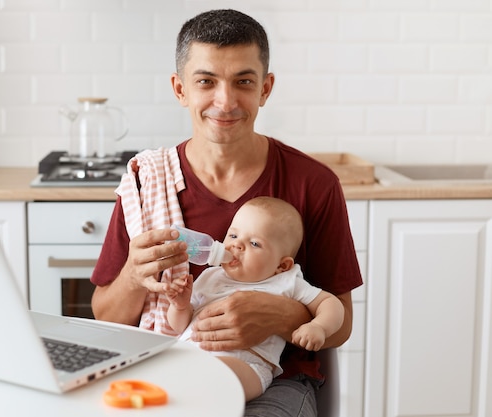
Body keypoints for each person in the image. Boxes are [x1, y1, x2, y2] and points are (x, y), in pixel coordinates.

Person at [90, 8, 363, 417]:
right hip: (171, 366)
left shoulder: (314, 184)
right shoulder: (148, 182)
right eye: (206, 81)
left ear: (265, 89)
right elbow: (106, 317)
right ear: (180, 89)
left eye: (244, 82)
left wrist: (280, 316)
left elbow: (340, 325)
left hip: (273, 382)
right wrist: (134, 275)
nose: (226, 101)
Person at [164, 197, 345, 401]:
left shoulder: (285, 281)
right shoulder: (210, 277)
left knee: (216, 376)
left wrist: (319, 326)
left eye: (254, 243)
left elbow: (330, 304)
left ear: (282, 265)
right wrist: (179, 306)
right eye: (233, 235)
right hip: (189, 357)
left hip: (246, 367)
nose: (237, 245)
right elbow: (180, 326)